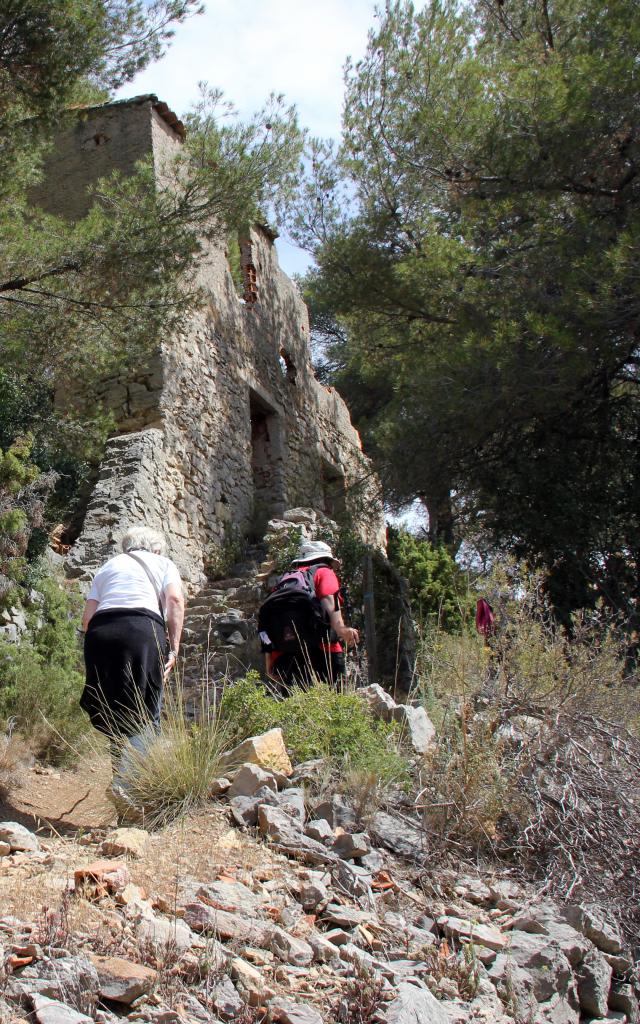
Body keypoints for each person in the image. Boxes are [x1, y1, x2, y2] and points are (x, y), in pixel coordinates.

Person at [80, 526, 185, 786]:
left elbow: (86, 619)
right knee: (147, 709)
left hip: (100, 634)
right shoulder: (163, 562)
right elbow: (174, 601)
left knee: (114, 711)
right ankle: (133, 788)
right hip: (142, 631)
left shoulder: (107, 567)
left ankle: (121, 779)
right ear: (156, 548)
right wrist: (174, 646)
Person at [263, 539, 359, 692]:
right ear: (326, 559)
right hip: (324, 650)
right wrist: (341, 629)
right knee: (336, 701)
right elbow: (329, 599)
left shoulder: (285, 581)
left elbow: (266, 621)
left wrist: (269, 661)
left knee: (295, 706)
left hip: (287, 653)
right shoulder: (324, 571)